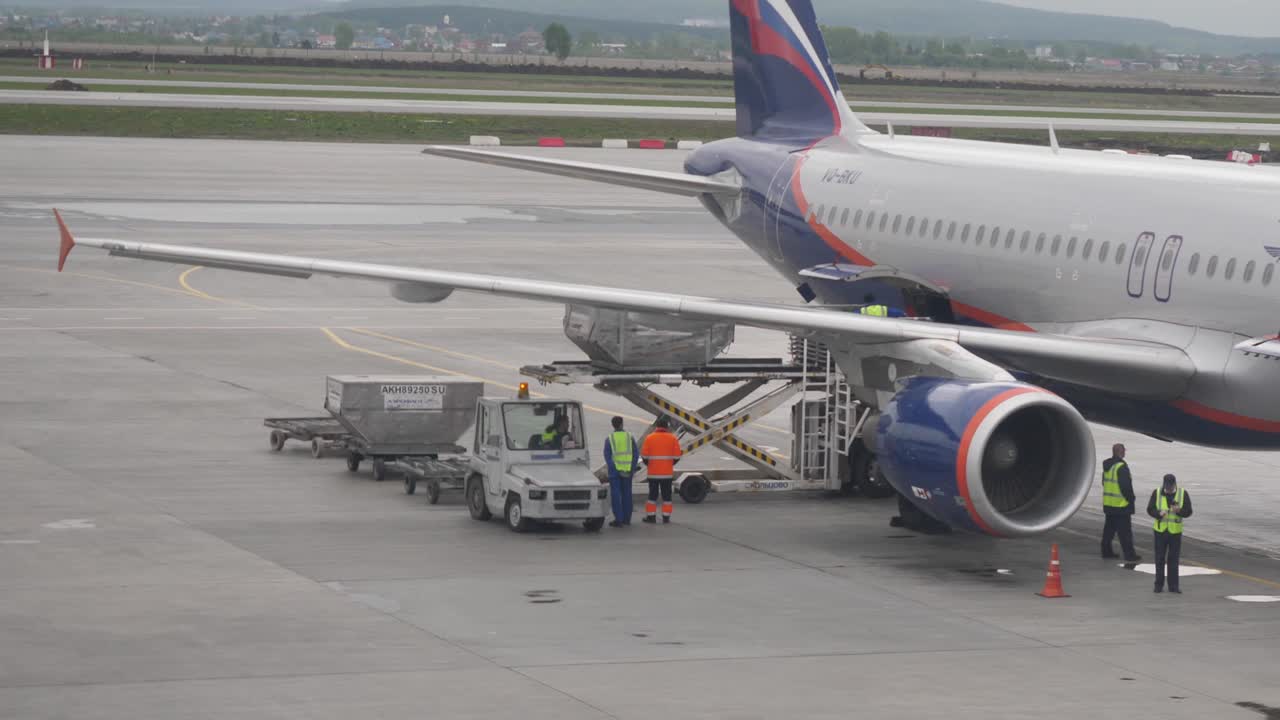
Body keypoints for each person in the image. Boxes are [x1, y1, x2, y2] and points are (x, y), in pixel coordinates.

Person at [1147, 473, 1193, 594]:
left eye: (1170, 487)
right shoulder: (1157, 493)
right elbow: (1150, 509)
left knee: (1173, 560)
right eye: (1166, 487)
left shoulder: (1182, 494)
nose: (1168, 489)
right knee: (1159, 558)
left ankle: (1173, 586)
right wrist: (1158, 513)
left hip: (1175, 532)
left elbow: (1189, 511)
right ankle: (1158, 585)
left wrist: (1179, 511)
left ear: (1174, 484)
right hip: (1160, 531)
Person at [1100, 443, 1141, 562]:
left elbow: (1104, 482)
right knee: (1125, 533)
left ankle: (1106, 552)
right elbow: (1125, 486)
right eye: (1123, 451)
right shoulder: (1121, 467)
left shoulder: (1107, 466)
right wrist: (1131, 499)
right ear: (1120, 452)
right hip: (1121, 505)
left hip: (1109, 504)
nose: (1125, 453)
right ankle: (1129, 555)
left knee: (1108, 531)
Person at [640, 416, 683, 524]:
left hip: (653, 474)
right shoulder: (672, 438)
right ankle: (666, 517)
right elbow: (677, 456)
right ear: (667, 427)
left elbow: (644, 456)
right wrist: (669, 464)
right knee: (667, 497)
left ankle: (651, 517)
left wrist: (650, 465)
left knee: (652, 496)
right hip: (667, 474)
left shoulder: (649, 438)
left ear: (657, 427)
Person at [604, 416, 638, 528]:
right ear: (622, 424)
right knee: (627, 494)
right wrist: (632, 468)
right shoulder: (630, 437)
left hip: (615, 472)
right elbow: (635, 454)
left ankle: (618, 519)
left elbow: (607, 456)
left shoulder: (610, 438)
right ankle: (627, 519)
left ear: (612, 425)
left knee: (616, 495)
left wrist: (613, 469)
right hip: (627, 470)